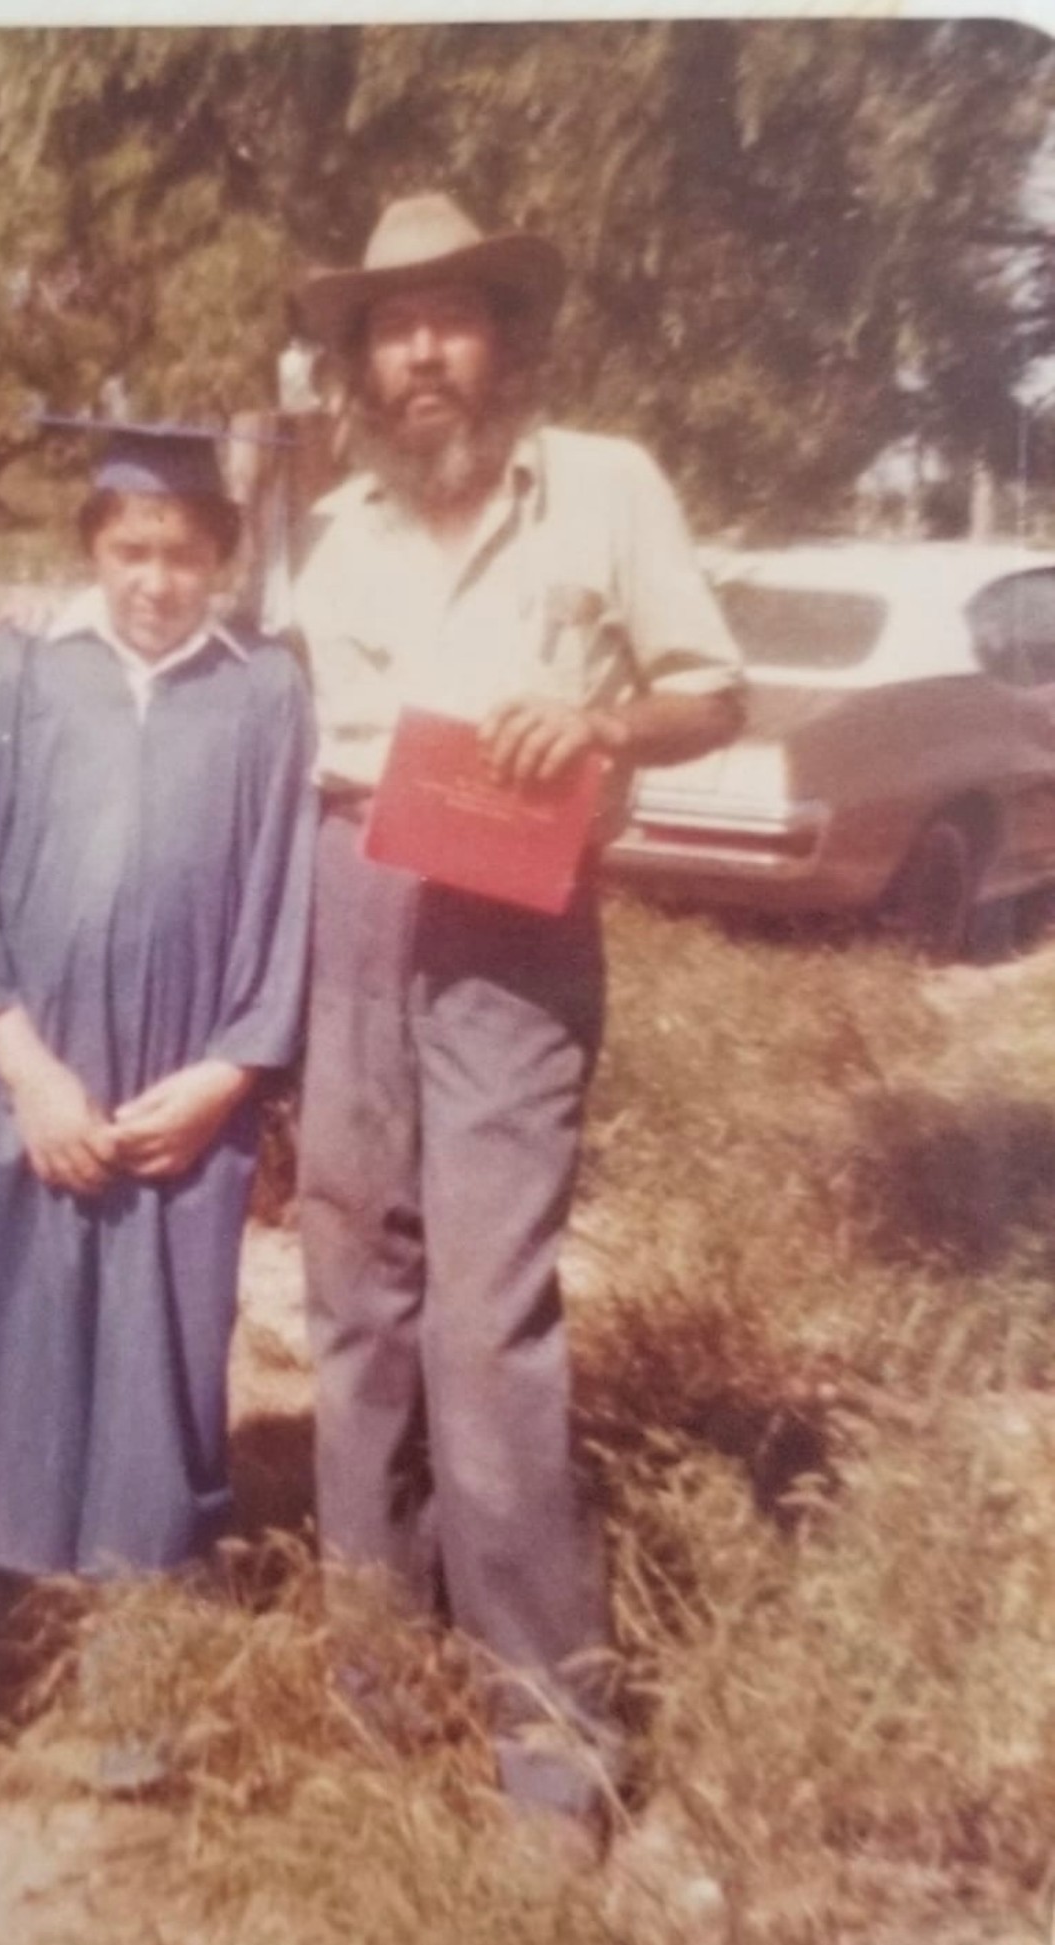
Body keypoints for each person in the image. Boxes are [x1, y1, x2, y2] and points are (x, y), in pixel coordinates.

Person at [291, 193, 743, 1836]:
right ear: (359, 358)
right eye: (390, 326)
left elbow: (717, 688)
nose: (421, 352)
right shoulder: (332, 522)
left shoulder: (603, 484)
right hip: (348, 890)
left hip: (513, 913)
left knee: (485, 1328)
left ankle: (552, 1753)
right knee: (353, 1303)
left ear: (505, 334)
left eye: (451, 317)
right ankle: (376, 1690)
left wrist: (604, 718)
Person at [0, 424, 317, 1795]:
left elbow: (289, 891)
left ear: (221, 556)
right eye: (128, 551)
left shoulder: (265, 695)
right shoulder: (29, 678)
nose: (155, 579)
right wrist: (21, 1059)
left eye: (181, 553)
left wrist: (233, 1071)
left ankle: (140, 1674)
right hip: (20, 1068)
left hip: (185, 1088)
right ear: (90, 551)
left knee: (157, 1372)